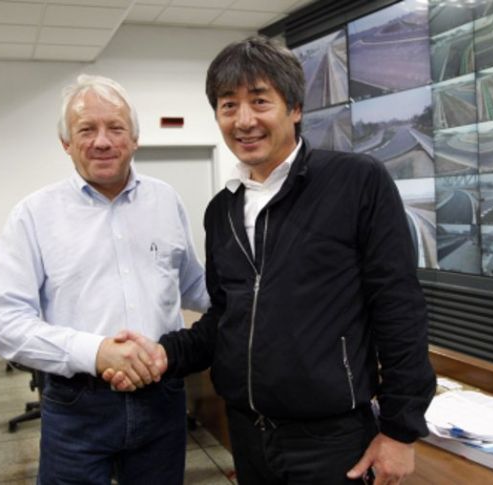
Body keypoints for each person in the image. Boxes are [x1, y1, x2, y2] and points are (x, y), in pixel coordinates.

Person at [106, 36, 437, 484]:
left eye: (259, 101)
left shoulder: (356, 182)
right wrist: (164, 353)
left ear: (294, 108)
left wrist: (401, 430)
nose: (244, 121)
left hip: (332, 441)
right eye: (228, 106)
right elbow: (226, 316)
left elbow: (399, 308)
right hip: (248, 435)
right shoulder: (221, 210)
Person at [0, 74, 209, 484]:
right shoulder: (34, 215)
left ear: (135, 139)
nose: (102, 141)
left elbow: (193, 286)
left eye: (115, 128)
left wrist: (262, 297)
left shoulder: (165, 201)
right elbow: (3, 323)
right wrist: (96, 352)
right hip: (77, 407)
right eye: (87, 129)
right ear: (66, 143)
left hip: (163, 401)